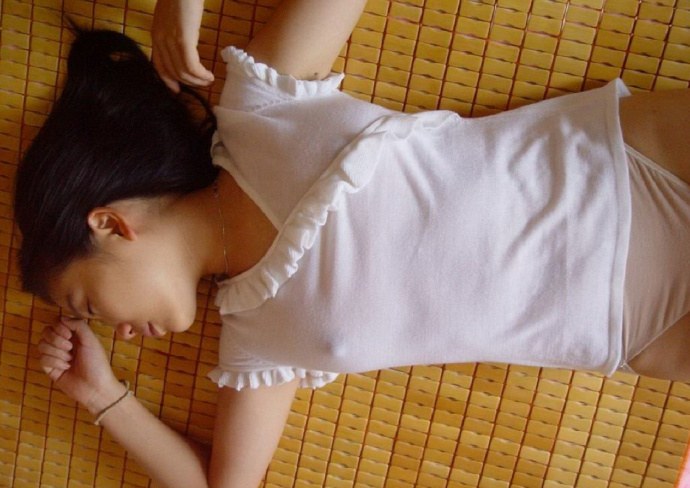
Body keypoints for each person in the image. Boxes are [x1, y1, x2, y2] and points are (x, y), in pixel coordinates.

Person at [13, 0, 690, 486]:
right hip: (643, 325)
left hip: (636, 163)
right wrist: (102, 396)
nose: (123, 336)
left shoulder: (260, 109)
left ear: (109, 224)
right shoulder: (256, 340)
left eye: (90, 305)